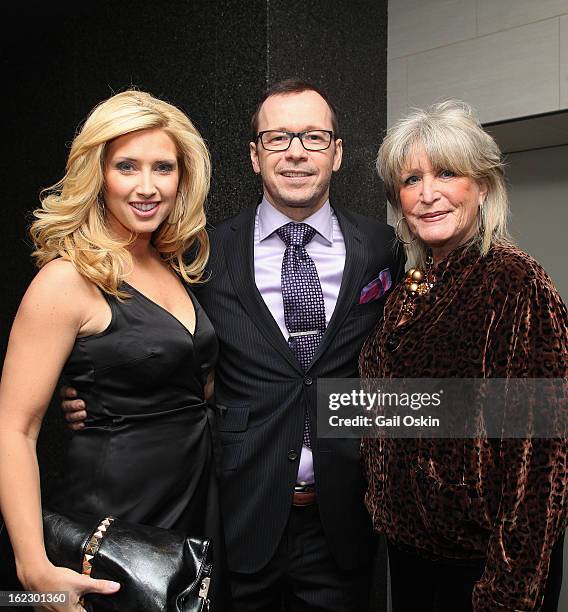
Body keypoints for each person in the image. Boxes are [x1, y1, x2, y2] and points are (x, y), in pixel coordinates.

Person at [63, 78, 406, 611]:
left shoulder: (382, 248)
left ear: (337, 153)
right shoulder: (201, 254)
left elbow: (398, 359)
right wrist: (94, 390)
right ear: (253, 155)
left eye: (314, 137)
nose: (296, 152)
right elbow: (158, 342)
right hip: (238, 516)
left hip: (345, 521)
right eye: (277, 138)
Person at [0, 90, 225, 609]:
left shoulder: (173, 267)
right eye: (127, 166)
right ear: (98, 175)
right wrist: (32, 566)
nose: (147, 187)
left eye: (163, 168)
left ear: (182, 178)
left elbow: (188, 381)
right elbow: (15, 428)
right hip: (111, 522)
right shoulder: (66, 280)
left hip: (189, 509)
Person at [360, 99, 568, 611]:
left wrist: (507, 592)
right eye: (410, 181)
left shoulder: (514, 283)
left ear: (482, 186)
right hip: (410, 553)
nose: (428, 194)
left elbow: (542, 461)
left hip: (481, 570)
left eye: (447, 173)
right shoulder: (411, 286)